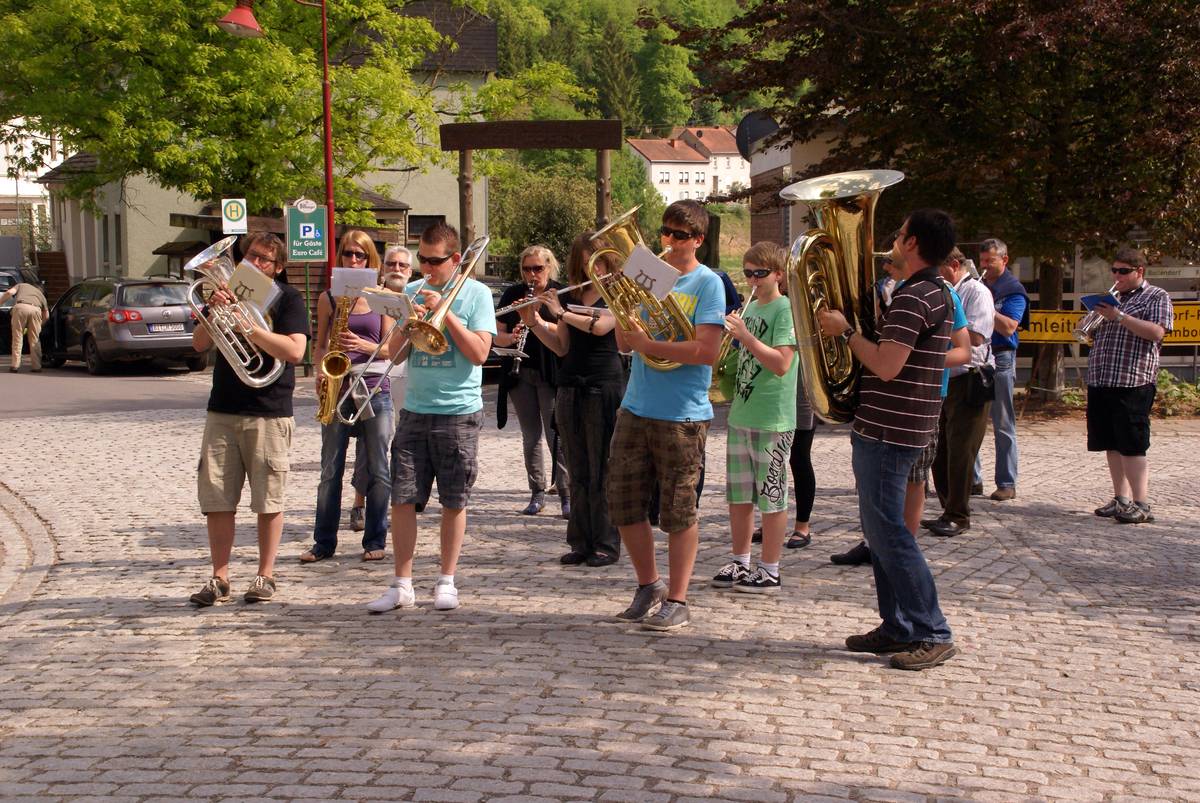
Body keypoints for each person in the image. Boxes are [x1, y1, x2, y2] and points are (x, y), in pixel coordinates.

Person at [817, 209, 959, 671]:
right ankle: (896, 626)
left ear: (913, 243)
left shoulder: (916, 297)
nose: (893, 241)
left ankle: (931, 630)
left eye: (899, 235)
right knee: (881, 532)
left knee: (889, 533)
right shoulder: (931, 291)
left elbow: (887, 365)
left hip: (889, 429)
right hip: (891, 425)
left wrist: (847, 331)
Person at [365, 222, 496, 613]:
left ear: (456, 260)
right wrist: (407, 324)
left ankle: (446, 580)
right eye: (421, 258)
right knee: (402, 498)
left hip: (458, 411)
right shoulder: (411, 291)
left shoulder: (477, 294)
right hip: (415, 410)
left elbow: (480, 354)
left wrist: (446, 313)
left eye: (434, 261)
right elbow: (395, 353)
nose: (425, 267)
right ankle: (402, 583)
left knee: (454, 499)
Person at [608, 200, 725, 632]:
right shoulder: (649, 273)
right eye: (666, 233)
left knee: (678, 510)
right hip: (636, 405)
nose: (670, 242)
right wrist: (624, 315)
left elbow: (706, 351)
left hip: (682, 414)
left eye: (680, 235)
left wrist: (647, 345)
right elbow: (626, 343)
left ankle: (678, 598)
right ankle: (648, 585)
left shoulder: (706, 283)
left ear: (698, 240)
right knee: (622, 503)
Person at [188, 232, 309, 606]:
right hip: (223, 406)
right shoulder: (228, 293)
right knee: (217, 497)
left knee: (268, 498)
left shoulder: (288, 298)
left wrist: (252, 330)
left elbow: (295, 350)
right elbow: (198, 345)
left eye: (264, 260)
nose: (255, 264)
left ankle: (265, 575)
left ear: (279, 267)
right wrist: (213, 310)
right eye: (250, 257)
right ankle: (219, 577)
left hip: (269, 408)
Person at [525, 231, 624, 567]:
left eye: (595, 258)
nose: (590, 265)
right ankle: (580, 540)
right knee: (578, 469)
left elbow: (601, 327)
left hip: (602, 385)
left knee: (602, 468)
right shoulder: (573, 293)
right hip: (570, 385)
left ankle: (606, 543)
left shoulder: (617, 292)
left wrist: (561, 312)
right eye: (584, 259)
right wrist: (536, 321)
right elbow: (563, 347)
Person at [299, 230, 396, 564]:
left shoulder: (383, 295)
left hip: (373, 386)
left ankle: (375, 539)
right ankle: (323, 542)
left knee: (379, 468)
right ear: (340, 258)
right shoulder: (329, 296)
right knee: (330, 470)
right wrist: (320, 370)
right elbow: (321, 342)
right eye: (348, 254)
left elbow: (390, 348)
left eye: (360, 255)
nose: (353, 260)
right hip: (338, 387)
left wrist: (366, 347)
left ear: (371, 260)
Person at [710, 241, 797, 594]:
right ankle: (741, 560)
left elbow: (781, 363)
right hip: (742, 414)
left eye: (760, 274)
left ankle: (771, 568)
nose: (753, 280)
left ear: (778, 274)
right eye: (747, 273)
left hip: (772, 418)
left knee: (772, 496)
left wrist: (744, 336)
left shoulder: (785, 308)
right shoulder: (749, 308)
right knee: (739, 496)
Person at [1086, 247, 1173, 524]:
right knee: (1111, 442)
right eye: (1114, 270)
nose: (1117, 275)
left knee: (1133, 444)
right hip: (1103, 379)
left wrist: (1120, 317)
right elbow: (1091, 332)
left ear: (1139, 272)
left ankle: (1142, 503)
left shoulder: (1156, 296)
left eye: (1123, 271)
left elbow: (1157, 332)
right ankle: (1121, 499)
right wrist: (1092, 320)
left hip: (1132, 381)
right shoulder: (1112, 299)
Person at [926, 248, 997, 537]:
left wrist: (947, 324)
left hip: (970, 378)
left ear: (954, 265)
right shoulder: (944, 291)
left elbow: (978, 336)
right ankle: (947, 508)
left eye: (937, 268)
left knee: (961, 450)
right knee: (939, 450)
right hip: (945, 377)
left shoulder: (976, 293)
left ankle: (959, 514)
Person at [495, 245, 568, 517]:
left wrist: (537, 322)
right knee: (531, 436)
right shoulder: (514, 294)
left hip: (551, 373)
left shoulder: (558, 294)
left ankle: (565, 492)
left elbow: (566, 331)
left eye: (538, 268)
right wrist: (512, 339)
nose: (532, 274)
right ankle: (537, 492)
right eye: (527, 269)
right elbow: (496, 334)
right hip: (520, 373)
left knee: (556, 435)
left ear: (549, 267)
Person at [348, 244, 413, 531]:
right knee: (370, 444)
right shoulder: (374, 297)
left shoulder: (418, 295)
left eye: (402, 265)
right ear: (383, 267)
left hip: (408, 374)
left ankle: (406, 496)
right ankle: (359, 502)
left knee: (405, 441)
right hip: (378, 374)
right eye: (391, 264)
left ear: (410, 271)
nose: (396, 269)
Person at [974, 237, 1028, 501]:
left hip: (1001, 357)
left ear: (1004, 260)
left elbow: (1009, 327)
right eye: (982, 261)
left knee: (1003, 423)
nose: (984, 266)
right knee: (970, 421)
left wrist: (983, 304)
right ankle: (973, 480)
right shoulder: (977, 284)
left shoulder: (1013, 289)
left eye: (990, 261)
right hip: (976, 356)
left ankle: (1007, 482)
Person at [1, 278, 48, 373]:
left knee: (17, 337)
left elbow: (9, 293)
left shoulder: (21, 285)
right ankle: (37, 366)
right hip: (36, 310)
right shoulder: (41, 295)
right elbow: (46, 315)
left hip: (20, 308)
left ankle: (15, 365)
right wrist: (40, 325)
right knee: (35, 340)